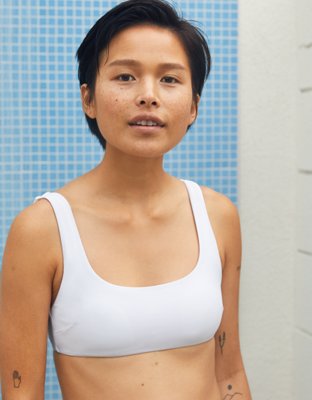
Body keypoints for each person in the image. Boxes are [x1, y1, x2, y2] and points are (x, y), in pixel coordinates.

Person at [0, 1, 251, 399]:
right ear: (89, 99)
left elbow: (229, 371)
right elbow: (21, 392)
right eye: (125, 76)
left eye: (170, 79)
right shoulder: (42, 229)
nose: (148, 96)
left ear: (193, 106)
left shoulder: (218, 216)